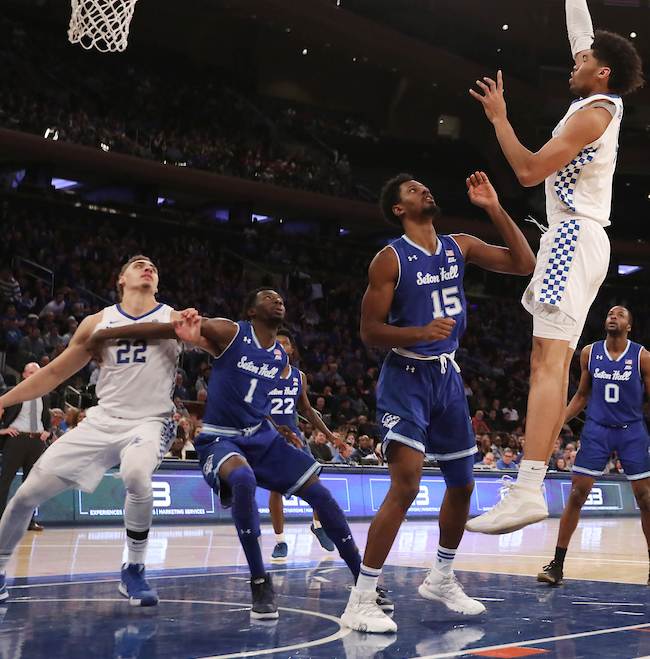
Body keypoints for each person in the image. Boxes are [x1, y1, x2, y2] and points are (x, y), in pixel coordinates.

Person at [466, 0, 645, 534]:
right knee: (548, 357)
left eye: (585, 59)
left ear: (602, 72)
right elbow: (582, 31)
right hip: (576, 238)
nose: (576, 59)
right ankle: (528, 485)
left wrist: (499, 119)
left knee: (549, 360)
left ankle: (527, 489)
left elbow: (526, 171)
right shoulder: (599, 95)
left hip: (572, 234)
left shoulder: (592, 115)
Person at [341, 171, 535, 632]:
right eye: (412, 189)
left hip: (447, 377)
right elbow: (369, 332)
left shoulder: (459, 245)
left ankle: (441, 578)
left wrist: (494, 207)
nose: (424, 189)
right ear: (399, 209)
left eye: (424, 185)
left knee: (463, 485)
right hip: (405, 376)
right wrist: (419, 333)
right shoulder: (390, 259)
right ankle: (361, 599)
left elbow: (524, 263)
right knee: (406, 484)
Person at [179, 288, 381, 624]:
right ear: (251, 311)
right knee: (244, 479)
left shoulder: (282, 362)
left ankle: (363, 579)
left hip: (264, 435)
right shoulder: (232, 333)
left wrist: (280, 427)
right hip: (221, 436)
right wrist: (114, 332)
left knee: (321, 495)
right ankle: (260, 581)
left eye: (281, 299)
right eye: (268, 297)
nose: (278, 301)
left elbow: (263, 401)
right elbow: (179, 326)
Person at [0, 256, 190, 606]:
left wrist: (203, 331)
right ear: (121, 279)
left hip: (151, 420)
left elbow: (221, 343)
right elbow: (54, 373)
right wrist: (3, 400)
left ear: (157, 283)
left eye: (152, 267)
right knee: (26, 495)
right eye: (138, 265)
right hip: (102, 420)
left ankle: (134, 570)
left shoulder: (175, 317)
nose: (147, 268)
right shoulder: (96, 322)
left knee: (136, 474)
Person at [538, 305, 650, 588]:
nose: (613, 316)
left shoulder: (642, 356)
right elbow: (582, 394)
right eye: (610, 314)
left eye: (620, 315)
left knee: (645, 498)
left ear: (629, 326)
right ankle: (556, 565)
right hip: (597, 430)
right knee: (577, 494)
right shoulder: (590, 353)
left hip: (631, 432)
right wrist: (558, 422)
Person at [266, 328, 352, 564]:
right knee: (276, 490)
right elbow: (257, 408)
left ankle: (317, 525)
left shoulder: (299, 376)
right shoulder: (262, 373)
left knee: (314, 481)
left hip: (294, 436)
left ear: (291, 349)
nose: (280, 346)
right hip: (270, 437)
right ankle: (280, 542)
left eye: (285, 343)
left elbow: (306, 410)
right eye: (276, 343)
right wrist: (276, 428)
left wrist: (331, 436)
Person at [0, 363, 53, 532]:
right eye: (30, 373)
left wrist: (47, 431)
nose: (33, 376)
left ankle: (29, 521)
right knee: (5, 481)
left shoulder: (45, 395)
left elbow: (46, 419)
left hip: (36, 441)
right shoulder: (12, 392)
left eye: (36, 373)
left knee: (31, 485)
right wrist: (2, 430)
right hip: (17, 439)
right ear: (23, 375)